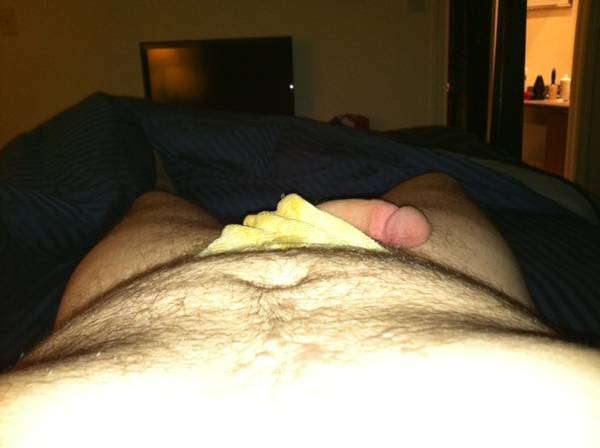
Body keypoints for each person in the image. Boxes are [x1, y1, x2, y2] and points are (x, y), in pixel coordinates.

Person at [0, 173, 598, 446]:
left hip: (147, 283)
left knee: (155, 201)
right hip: (420, 268)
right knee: (434, 181)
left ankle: (170, 182)